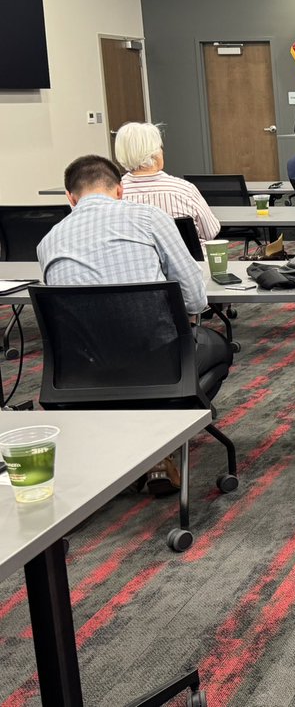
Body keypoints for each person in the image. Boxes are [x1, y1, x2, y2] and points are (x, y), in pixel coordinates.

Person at [37, 155, 231, 496]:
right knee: (216, 347)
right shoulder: (150, 218)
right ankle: (161, 443)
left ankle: (129, 442)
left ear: (70, 197)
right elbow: (196, 300)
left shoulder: (48, 241)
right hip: (158, 364)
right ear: (120, 190)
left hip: (82, 377)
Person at [113, 121, 221, 242]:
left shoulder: (111, 194)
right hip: (186, 259)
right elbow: (210, 232)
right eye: (159, 147)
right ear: (154, 154)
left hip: (133, 260)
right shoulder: (184, 190)